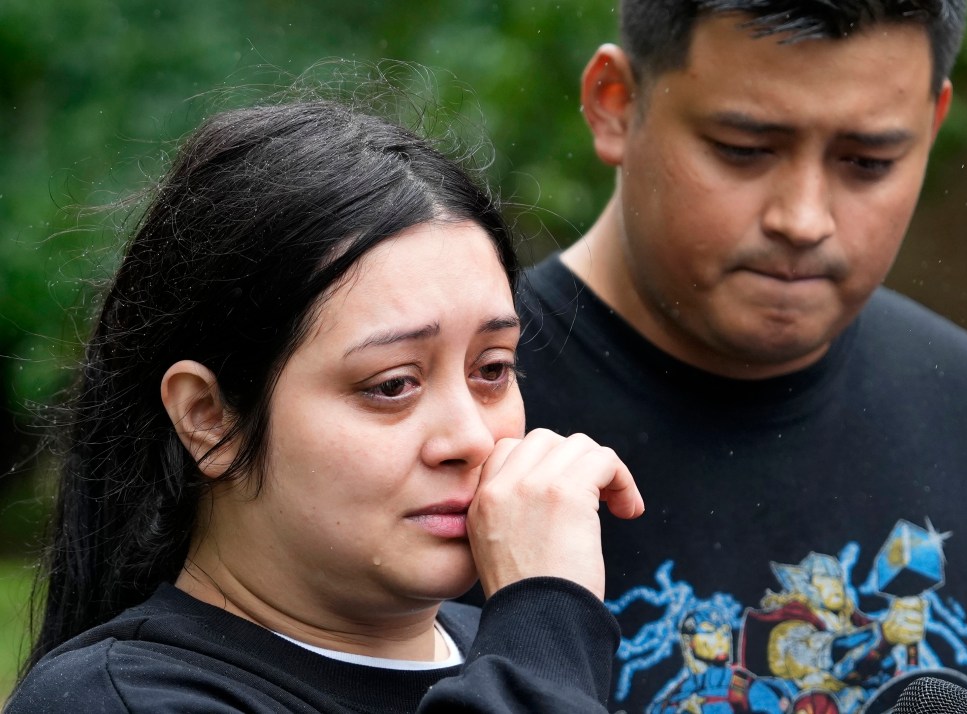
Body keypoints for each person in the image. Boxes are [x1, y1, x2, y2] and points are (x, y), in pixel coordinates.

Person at [5, 98, 645, 713]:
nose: (472, 438)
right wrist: (547, 617)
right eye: (394, 384)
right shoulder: (119, 697)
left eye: (493, 369)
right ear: (208, 416)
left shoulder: (518, 652)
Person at [512, 1, 967, 712]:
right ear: (615, 104)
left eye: (868, 162)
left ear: (932, 127)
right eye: (743, 150)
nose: (803, 218)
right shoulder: (445, 438)